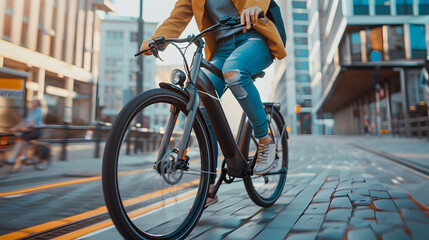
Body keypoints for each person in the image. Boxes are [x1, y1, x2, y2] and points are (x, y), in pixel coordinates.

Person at [140, 0, 287, 206]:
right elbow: (178, 16)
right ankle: (208, 186)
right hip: (222, 48)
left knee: (234, 72)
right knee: (202, 103)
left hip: (253, 37)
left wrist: (254, 6)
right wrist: (156, 38)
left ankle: (264, 139)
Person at [7, 99, 44, 167]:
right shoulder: (31, 111)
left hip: (36, 130)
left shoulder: (39, 111)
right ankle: (13, 158)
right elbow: (24, 122)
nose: (32, 103)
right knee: (19, 139)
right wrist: (14, 128)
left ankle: (23, 155)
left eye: (34, 102)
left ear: (38, 104)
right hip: (29, 130)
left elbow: (33, 121)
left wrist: (23, 127)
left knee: (23, 139)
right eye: (32, 102)